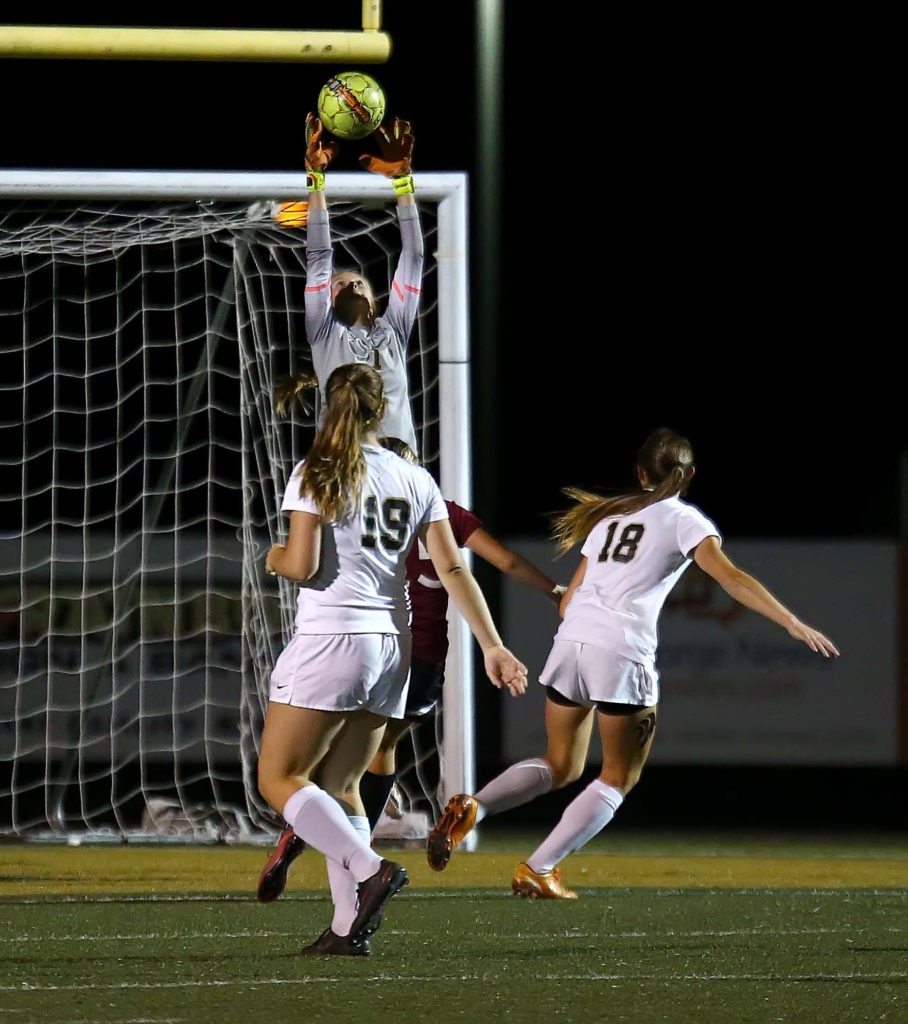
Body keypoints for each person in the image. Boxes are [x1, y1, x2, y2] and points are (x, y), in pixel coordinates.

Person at [425, 427, 840, 898]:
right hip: (619, 650)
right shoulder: (685, 519)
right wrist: (790, 621)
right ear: (689, 475)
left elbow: (568, 602)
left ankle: (473, 805)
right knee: (619, 776)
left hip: (570, 640)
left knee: (560, 763)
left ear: (640, 472)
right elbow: (731, 578)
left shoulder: (609, 519)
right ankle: (540, 867)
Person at [256, 362, 527, 957]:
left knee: (278, 777)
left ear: (330, 409)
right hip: (392, 646)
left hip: (333, 636)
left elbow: (300, 566)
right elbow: (454, 568)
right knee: (344, 785)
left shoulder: (316, 472)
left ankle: (369, 866)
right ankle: (348, 929)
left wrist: (273, 557)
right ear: (381, 411)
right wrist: (494, 644)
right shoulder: (413, 476)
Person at [258, 437, 565, 901]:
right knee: (365, 764)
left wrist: (276, 556)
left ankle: (341, 850)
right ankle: (349, 896)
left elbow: (305, 562)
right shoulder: (434, 501)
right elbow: (491, 563)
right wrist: (545, 598)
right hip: (408, 653)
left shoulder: (348, 493)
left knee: (306, 773)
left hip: (350, 638)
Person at [304, 112, 423, 454]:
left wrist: (403, 181)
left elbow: (413, 257)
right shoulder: (325, 335)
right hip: (341, 470)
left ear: (374, 300)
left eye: (358, 282)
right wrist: (316, 180)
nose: (350, 285)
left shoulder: (394, 331)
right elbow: (319, 258)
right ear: (326, 301)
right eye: (339, 284)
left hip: (401, 470)